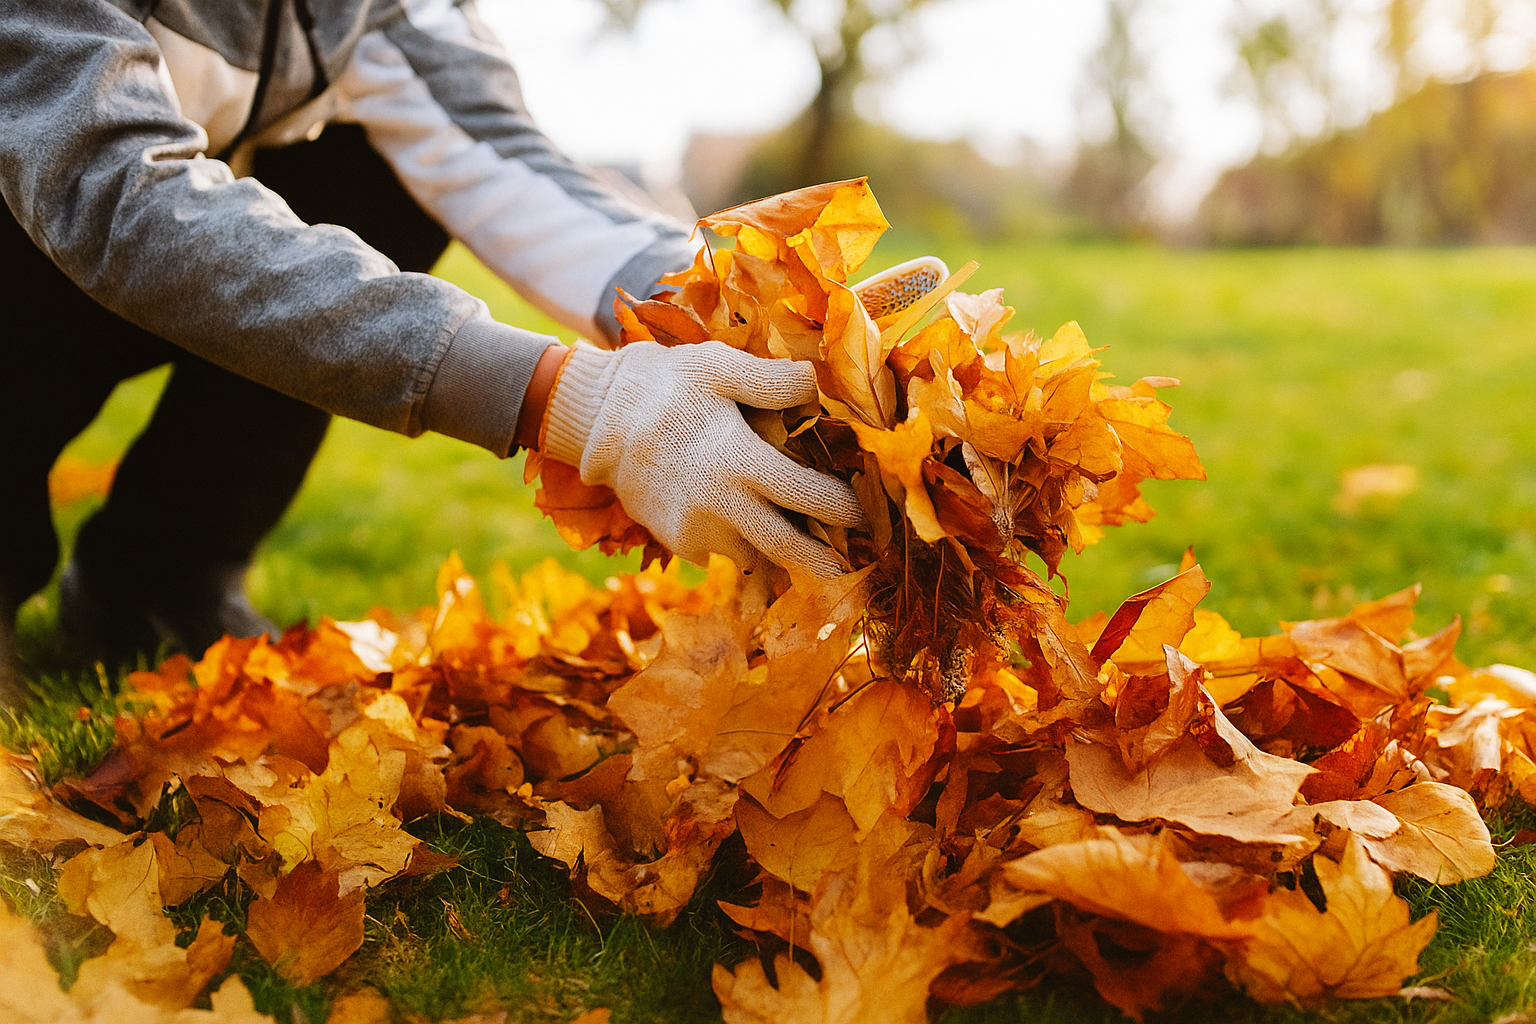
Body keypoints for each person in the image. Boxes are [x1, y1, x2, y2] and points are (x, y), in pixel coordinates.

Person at [0, 0, 868, 708]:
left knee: (378, 168)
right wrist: (573, 401)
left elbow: (500, 159)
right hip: (41, 216)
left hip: (145, 234)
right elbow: (107, 182)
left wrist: (748, 307)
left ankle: (155, 581)